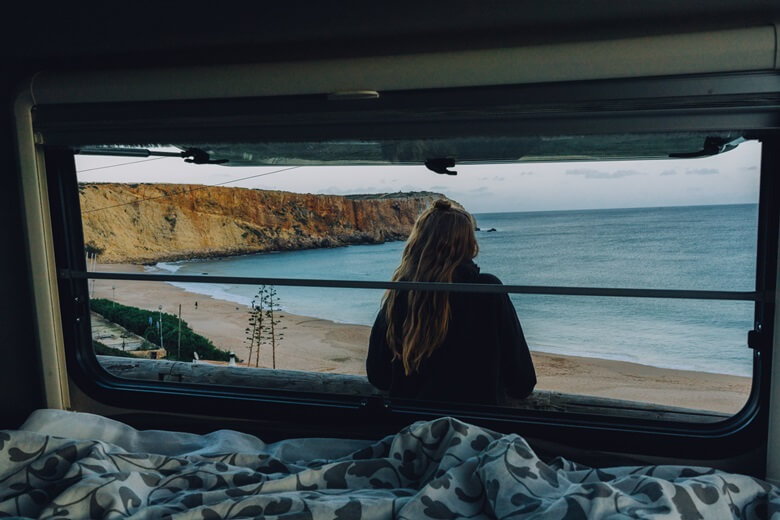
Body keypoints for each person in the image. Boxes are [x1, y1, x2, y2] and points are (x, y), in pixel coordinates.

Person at [366, 199, 536, 405]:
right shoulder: (487, 290)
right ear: (469, 244)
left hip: (412, 427)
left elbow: (379, 377)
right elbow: (522, 382)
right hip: (476, 429)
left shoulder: (403, 292)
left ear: (418, 242)